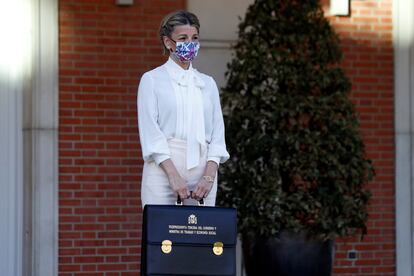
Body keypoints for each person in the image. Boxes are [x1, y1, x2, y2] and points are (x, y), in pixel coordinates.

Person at [137, 10, 229, 207]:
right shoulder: (152, 80)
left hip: (203, 171)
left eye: (195, 38)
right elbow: (151, 132)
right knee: (161, 235)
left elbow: (217, 134)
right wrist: (173, 176)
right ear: (168, 42)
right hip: (163, 168)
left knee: (200, 235)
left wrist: (209, 176)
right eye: (183, 38)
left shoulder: (207, 83)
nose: (191, 43)